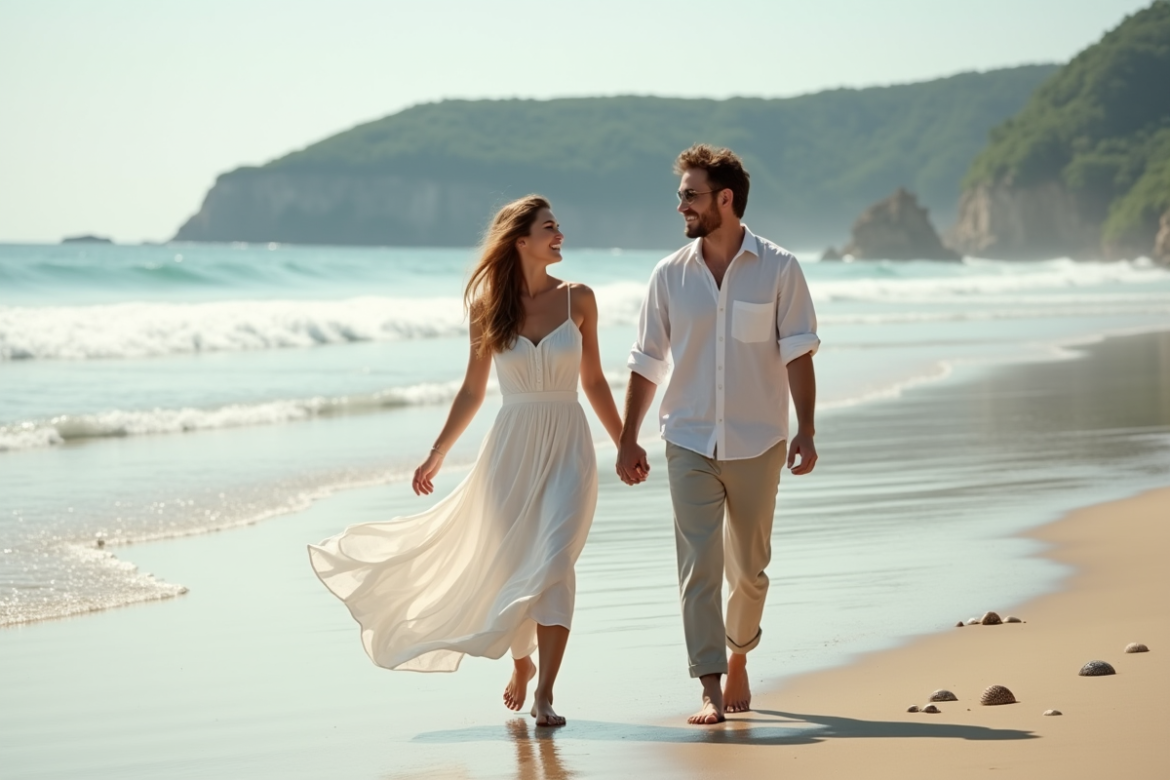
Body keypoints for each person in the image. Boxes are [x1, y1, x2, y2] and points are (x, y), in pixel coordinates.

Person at [309, 195, 622, 728]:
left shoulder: (580, 299)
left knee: (555, 563)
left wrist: (627, 442)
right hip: (511, 450)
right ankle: (521, 664)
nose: (560, 234)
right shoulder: (488, 309)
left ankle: (545, 691)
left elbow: (592, 381)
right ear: (521, 241)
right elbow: (473, 391)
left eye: (558, 226)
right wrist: (436, 454)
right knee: (513, 565)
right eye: (550, 228)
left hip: (570, 444)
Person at [616, 144, 820, 725]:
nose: (680, 204)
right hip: (688, 439)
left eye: (690, 195)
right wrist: (629, 437)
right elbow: (646, 360)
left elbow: (798, 352)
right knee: (698, 566)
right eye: (682, 194)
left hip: (759, 440)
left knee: (750, 569)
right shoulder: (668, 276)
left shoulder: (780, 268)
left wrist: (806, 429)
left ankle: (738, 655)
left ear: (724, 200)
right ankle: (708, 685)